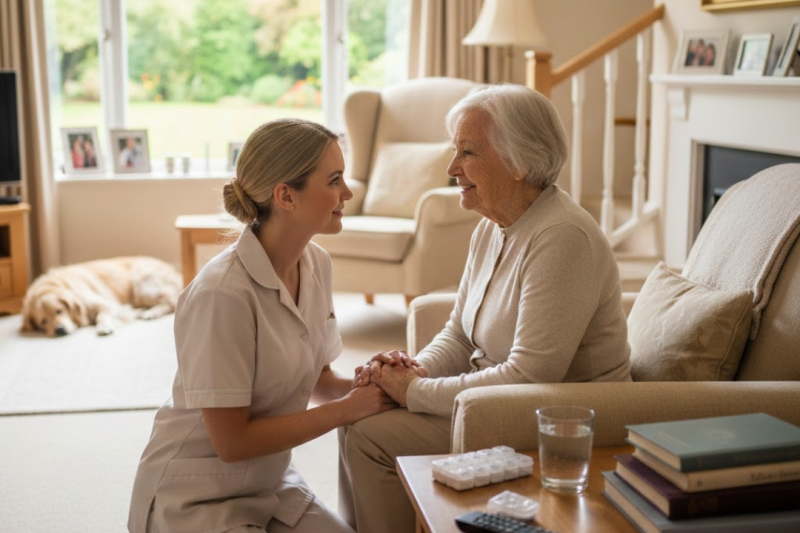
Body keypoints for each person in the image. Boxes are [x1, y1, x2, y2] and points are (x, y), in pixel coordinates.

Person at [338, 84, 633, 533]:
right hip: (493, 402)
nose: (452, 167)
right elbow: (460, 332)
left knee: (368, 434)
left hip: (550, 417)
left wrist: (413, 392)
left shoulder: (563, 238)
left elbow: (530, 377)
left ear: (519, 161)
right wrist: (409, 369)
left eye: (468, 152)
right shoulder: (494, 223)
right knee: (360, 410)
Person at [128, 118, 396, 533]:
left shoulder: (317, 264)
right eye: (335, 180)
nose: (348, 193)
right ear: (286, 196)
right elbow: (232, 444)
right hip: (195, 495)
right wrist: (347, 411)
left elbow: (320, 380)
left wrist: (375, 384)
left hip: (270, 484)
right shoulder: (221, 294)